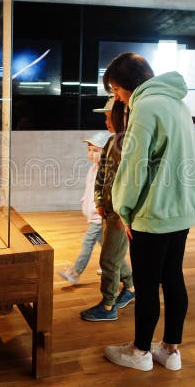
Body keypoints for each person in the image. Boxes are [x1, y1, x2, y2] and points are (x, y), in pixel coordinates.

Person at [102, 53, 195, 371]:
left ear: (124, 85)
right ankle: (170, 350)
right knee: (173, 277)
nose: (117, 98)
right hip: (182, 208)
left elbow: (134, 167)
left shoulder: (145, 106)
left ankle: (140, 351)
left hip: (153, 212)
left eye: (115, 91)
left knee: (146, 285)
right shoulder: (178, 104)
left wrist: (125, 209)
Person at [80, 97, 136, 321]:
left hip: (121, 213)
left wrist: (125, 213)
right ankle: (131, 288)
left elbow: (134, 181)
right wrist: (100, 201)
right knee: (113, 254)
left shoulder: (132, 143)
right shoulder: (113, 141)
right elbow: (101, 174)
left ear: (123, 115)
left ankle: (108, 305)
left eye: (108, 115)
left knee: (109, 259)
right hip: (109, 209)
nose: (105, 120)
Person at [57, 131, 110, 284]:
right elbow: (89, 190)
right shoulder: (93, 169)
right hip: (93, 216)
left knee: (87, 243)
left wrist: (95, 209)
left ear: (106, 151)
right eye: (89, 150)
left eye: (95, 150)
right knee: (107, 248)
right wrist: (84, 201)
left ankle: (75, 273)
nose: (91, 154)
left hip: (98, 218)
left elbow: (103, 194)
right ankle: (115, 270)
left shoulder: (105, 172)